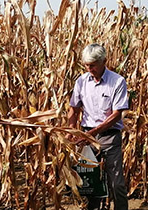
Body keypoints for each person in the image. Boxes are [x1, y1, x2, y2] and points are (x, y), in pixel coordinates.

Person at [68, 43, 129, 210]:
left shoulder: (117, 81)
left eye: (93, 65)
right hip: (87, 135)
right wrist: (71, 130)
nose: (89, 69)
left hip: (109, 136)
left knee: (116, 183)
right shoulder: (81, 81)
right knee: (91, 182)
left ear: (104, 61)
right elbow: (73, 108)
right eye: (86, 65)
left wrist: (92, 134)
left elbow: (116, 115)